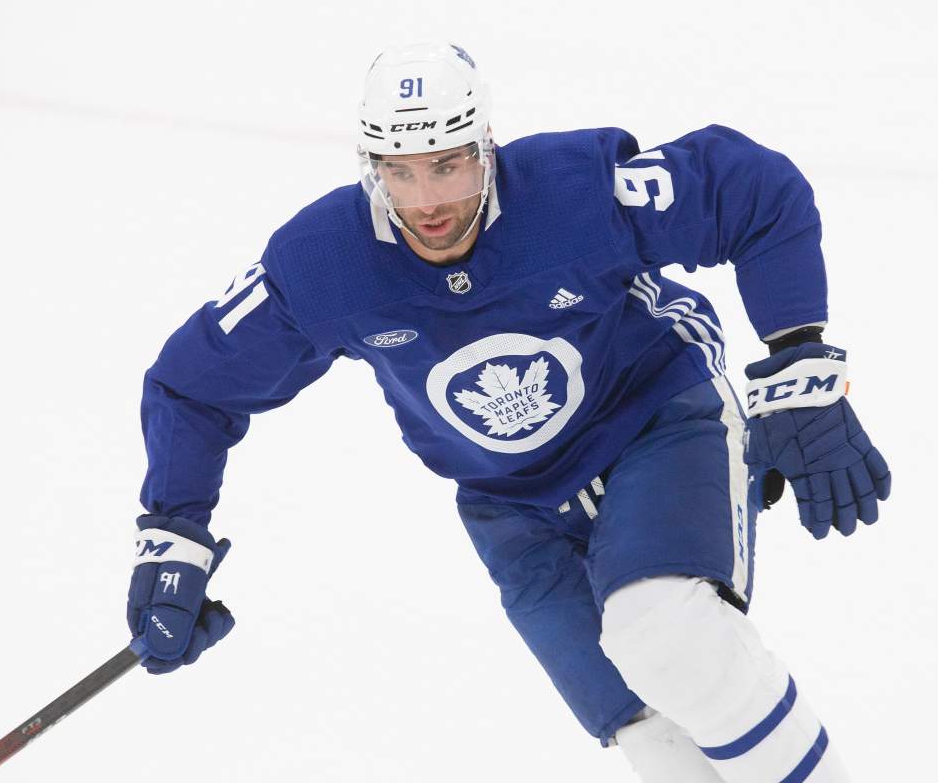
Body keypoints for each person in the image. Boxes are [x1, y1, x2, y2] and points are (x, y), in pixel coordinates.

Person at [126, 43, 891, 782]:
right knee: (649, 733)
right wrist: (174, 537)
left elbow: (750, 188)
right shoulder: (323, 264)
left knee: (666, 640)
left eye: (447, 165)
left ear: (486, 146)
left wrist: (799, 357)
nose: (426, 201)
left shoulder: (572, 196)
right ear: (370, 165)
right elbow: (193, 385)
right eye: (399, 171)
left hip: (653, 422)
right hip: (509, 506)